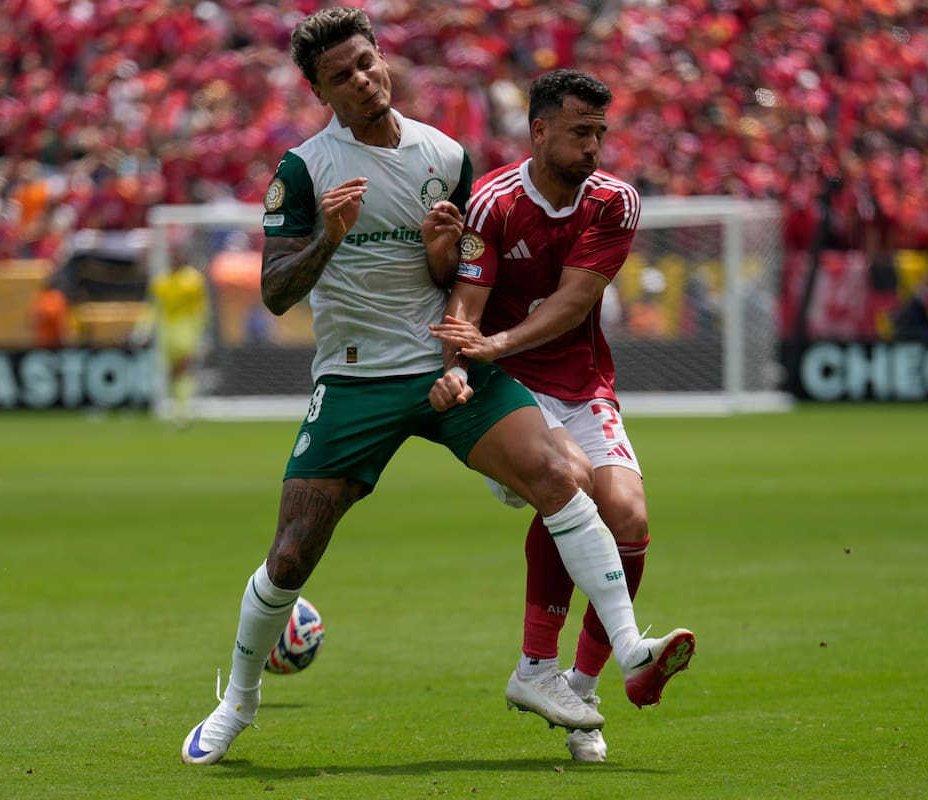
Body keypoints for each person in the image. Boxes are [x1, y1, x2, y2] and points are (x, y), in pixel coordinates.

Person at [181, 7, 687, 767]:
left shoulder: (446, 156)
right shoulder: (304, 170)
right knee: (290, 557)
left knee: (558, 474)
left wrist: (442, 253)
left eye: (365, 61)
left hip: (443, 366)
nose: (361, 79)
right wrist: (328, 235)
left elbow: (460, 280)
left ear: (382, 57)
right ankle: (237, 704)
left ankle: (623, 650)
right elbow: (276, 292)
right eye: (340, 75)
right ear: (321, 91)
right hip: (355, 378)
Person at [429, 70, 694, 762]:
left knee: (629, 518)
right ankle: (539, 663)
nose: (594, 147)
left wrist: (493, 342)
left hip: (583, 385)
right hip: (512, 390)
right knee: (568, 486)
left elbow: (574, 303)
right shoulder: (492, 202)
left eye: (601, 132)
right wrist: (462, 365)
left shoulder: (615, 203)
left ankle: (580, 691)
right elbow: (466, 303)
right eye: (581, 132)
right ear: (540, 130)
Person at [133, 260, 209, 427]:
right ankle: (178, 409)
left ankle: (183, 411)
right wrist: (143, 330)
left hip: (186, 328)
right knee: (173, 373)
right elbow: (154, 307)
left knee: (183, 368)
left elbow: (200, 308)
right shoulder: (161, 281)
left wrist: (202, 335)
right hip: (167, 331)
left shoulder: (193, 280)